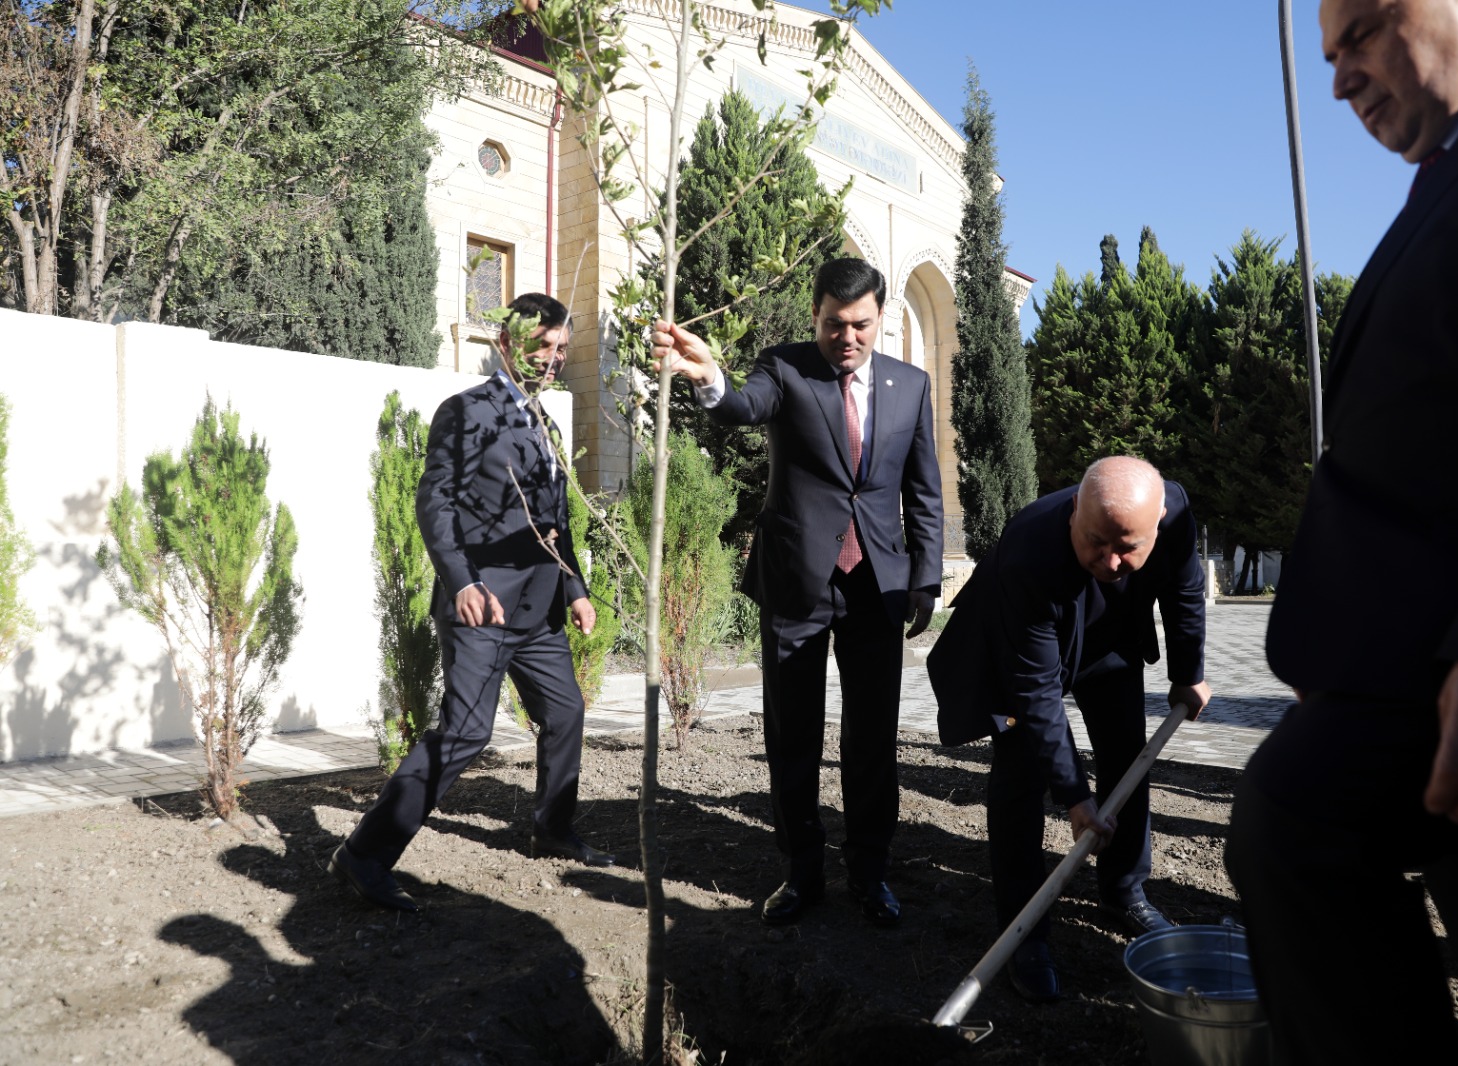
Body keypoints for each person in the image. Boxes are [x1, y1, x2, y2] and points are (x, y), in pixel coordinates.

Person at [1224, 1, 1458, 1062]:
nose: (1339, 78)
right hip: (1442, 690)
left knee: (1294, 826)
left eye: (1364, 32)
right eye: (1329, 54)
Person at [650, 257, 943, 927]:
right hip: (796, 584)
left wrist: (924, 579)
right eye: (834, 325)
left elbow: (923, 490)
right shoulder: (785, 368)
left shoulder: (910, 386)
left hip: (876, 588)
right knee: (793, 738)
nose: (848, 339)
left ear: (881, 319)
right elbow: (742, 405)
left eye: (862, 325)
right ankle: (801, 872)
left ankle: (870, 873)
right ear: (814, 317)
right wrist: (708, 377)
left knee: (871, 740)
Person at [329, 292, 613, 913]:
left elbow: (555, 518)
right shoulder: (465, 412)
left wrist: (575, 587)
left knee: (565, 712)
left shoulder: (546, 422)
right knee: (466, 732)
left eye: (563, 348)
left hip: (538, 610)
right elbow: (436, 503)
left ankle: (553, 830)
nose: (554, 358)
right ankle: (365, 855)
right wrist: (461, 580)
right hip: (481, 602)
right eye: (544, 346)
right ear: (508, 344)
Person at [928, 457, 1210, 1003]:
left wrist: (1188, 675)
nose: (1110, 559)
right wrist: (1076, 797)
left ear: (1159, 523)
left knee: (1128, 752)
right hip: (1031, 634)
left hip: (1111, 636)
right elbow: (1035, 696)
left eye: (1128, 546)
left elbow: (1183, 592)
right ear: (1074, 512)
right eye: (1096, 542)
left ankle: (1124, 889)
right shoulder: (1029, 552)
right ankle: (1025, 934)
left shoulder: (1174, 513)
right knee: (1020, 771)